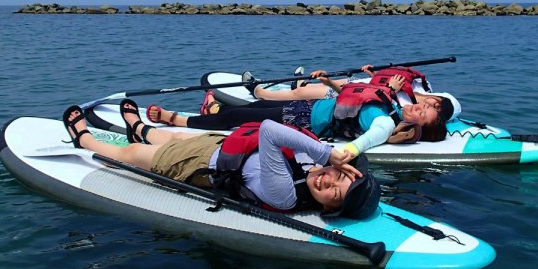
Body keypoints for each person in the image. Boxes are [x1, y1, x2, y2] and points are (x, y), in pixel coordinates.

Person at [62, 100, 381, 220]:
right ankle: (139, 128)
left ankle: (84, 139)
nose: (327, 181)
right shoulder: (316, 167)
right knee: (172, 136)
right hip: (226, 146)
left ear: (326, 208)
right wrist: (328, 157)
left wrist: (326, 153)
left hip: (197, 164)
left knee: (132, 154)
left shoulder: (285, 194)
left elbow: (270, 130)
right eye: (338, 176)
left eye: (333, 194)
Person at [146, 76, 447, 157]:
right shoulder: (393, 104)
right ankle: (212, 111)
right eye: (425, 106)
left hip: (303, 119)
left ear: (415, 127)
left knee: (240, 115)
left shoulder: (385, 121)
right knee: (250, 109)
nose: (419, 107)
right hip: (309, 108)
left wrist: (351, 151)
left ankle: (177, 120)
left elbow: (376, 132)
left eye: (423, 114)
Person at [248, 66, 461, 122]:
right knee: (313, 84)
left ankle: (260, 92)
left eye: (435, 109)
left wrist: (391, 89)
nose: (430, 105)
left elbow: (380, 101)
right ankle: (300, 82)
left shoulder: (409, 109)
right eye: (437, 102)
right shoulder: (422, 87)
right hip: (359, 84)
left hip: (351, 96)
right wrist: (375, 75)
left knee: (303, 93)